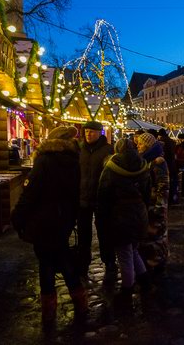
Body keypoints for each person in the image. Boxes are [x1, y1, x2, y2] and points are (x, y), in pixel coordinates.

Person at [11, 126, 87, 324]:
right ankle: (80, 301)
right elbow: (75, 193)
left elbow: (31, 192)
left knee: (47, 263)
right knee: (62, 257)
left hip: (43, 220)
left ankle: (49, 311)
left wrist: (17, 217)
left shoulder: (44, 161)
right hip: (64, 220)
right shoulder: (73, 161)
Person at [97, 139, 149, 301]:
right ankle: (144, 279)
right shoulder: (143, 165)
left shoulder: (111, 167)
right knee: (132, 248)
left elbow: (103, 193)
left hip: (119, 214)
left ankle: (127, 288)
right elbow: (147, 192)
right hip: (139, 212)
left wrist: (102, 217)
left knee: (124, 253)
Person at [78, 120, 115, 280]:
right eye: (86, 132)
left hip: (101, 199)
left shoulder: (108, 150)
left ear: (99, 133)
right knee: (83, 233)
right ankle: (83, 262)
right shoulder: (79, 149)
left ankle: (109, 261)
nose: (88, 134)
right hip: (83, 198)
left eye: (91, 132)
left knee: (105, 231)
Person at [136, 133, 170, 273]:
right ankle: (150, 262)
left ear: (148, 145)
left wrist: (159, 207)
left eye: (140, 143)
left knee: (156, 235)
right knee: (149, 236)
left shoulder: (158, 162)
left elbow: (163, 186)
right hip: (147, 204)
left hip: (155, 205)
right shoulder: (145, 160)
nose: (138, 146)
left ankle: (157, 263)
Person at [158, 128, 178, 204]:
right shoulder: (172, 141)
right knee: (172, 182)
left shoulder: (162, 142)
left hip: (165, 164)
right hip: (172, 164)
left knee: (165, 183)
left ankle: (168, 199)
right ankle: (173, 198)